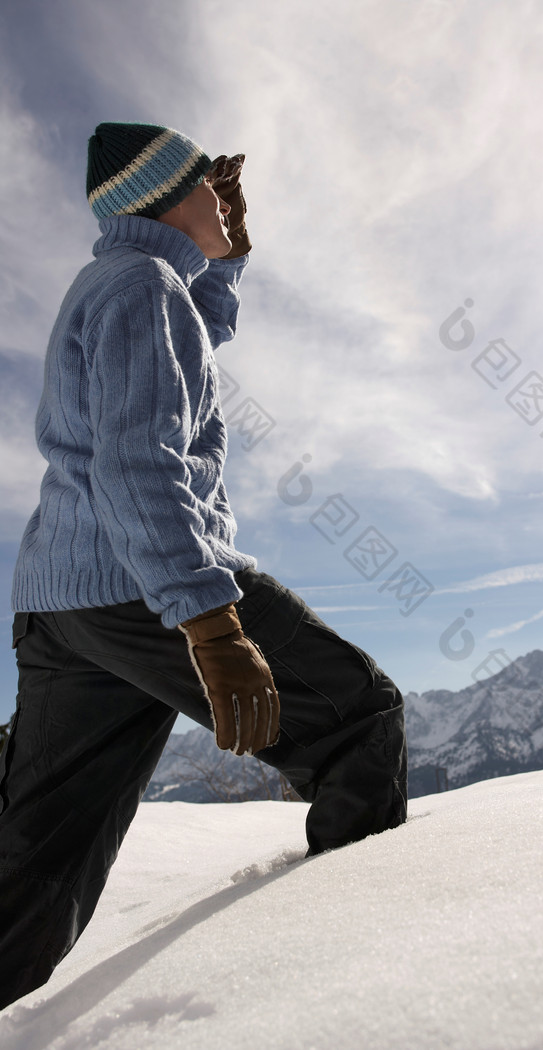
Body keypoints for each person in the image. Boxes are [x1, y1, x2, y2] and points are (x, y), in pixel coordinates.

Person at [0, 122, 407, 1010]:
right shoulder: (143, 288)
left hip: (67, 601)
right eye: (206, 188)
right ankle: (366, 996)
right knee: (358, 720)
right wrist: (211, 623)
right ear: (160, 203)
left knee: (33, 872)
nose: (226, 200)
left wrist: (221, 255)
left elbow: (194, 341)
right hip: (145, 583)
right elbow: (138, 460)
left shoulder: (124, 283)